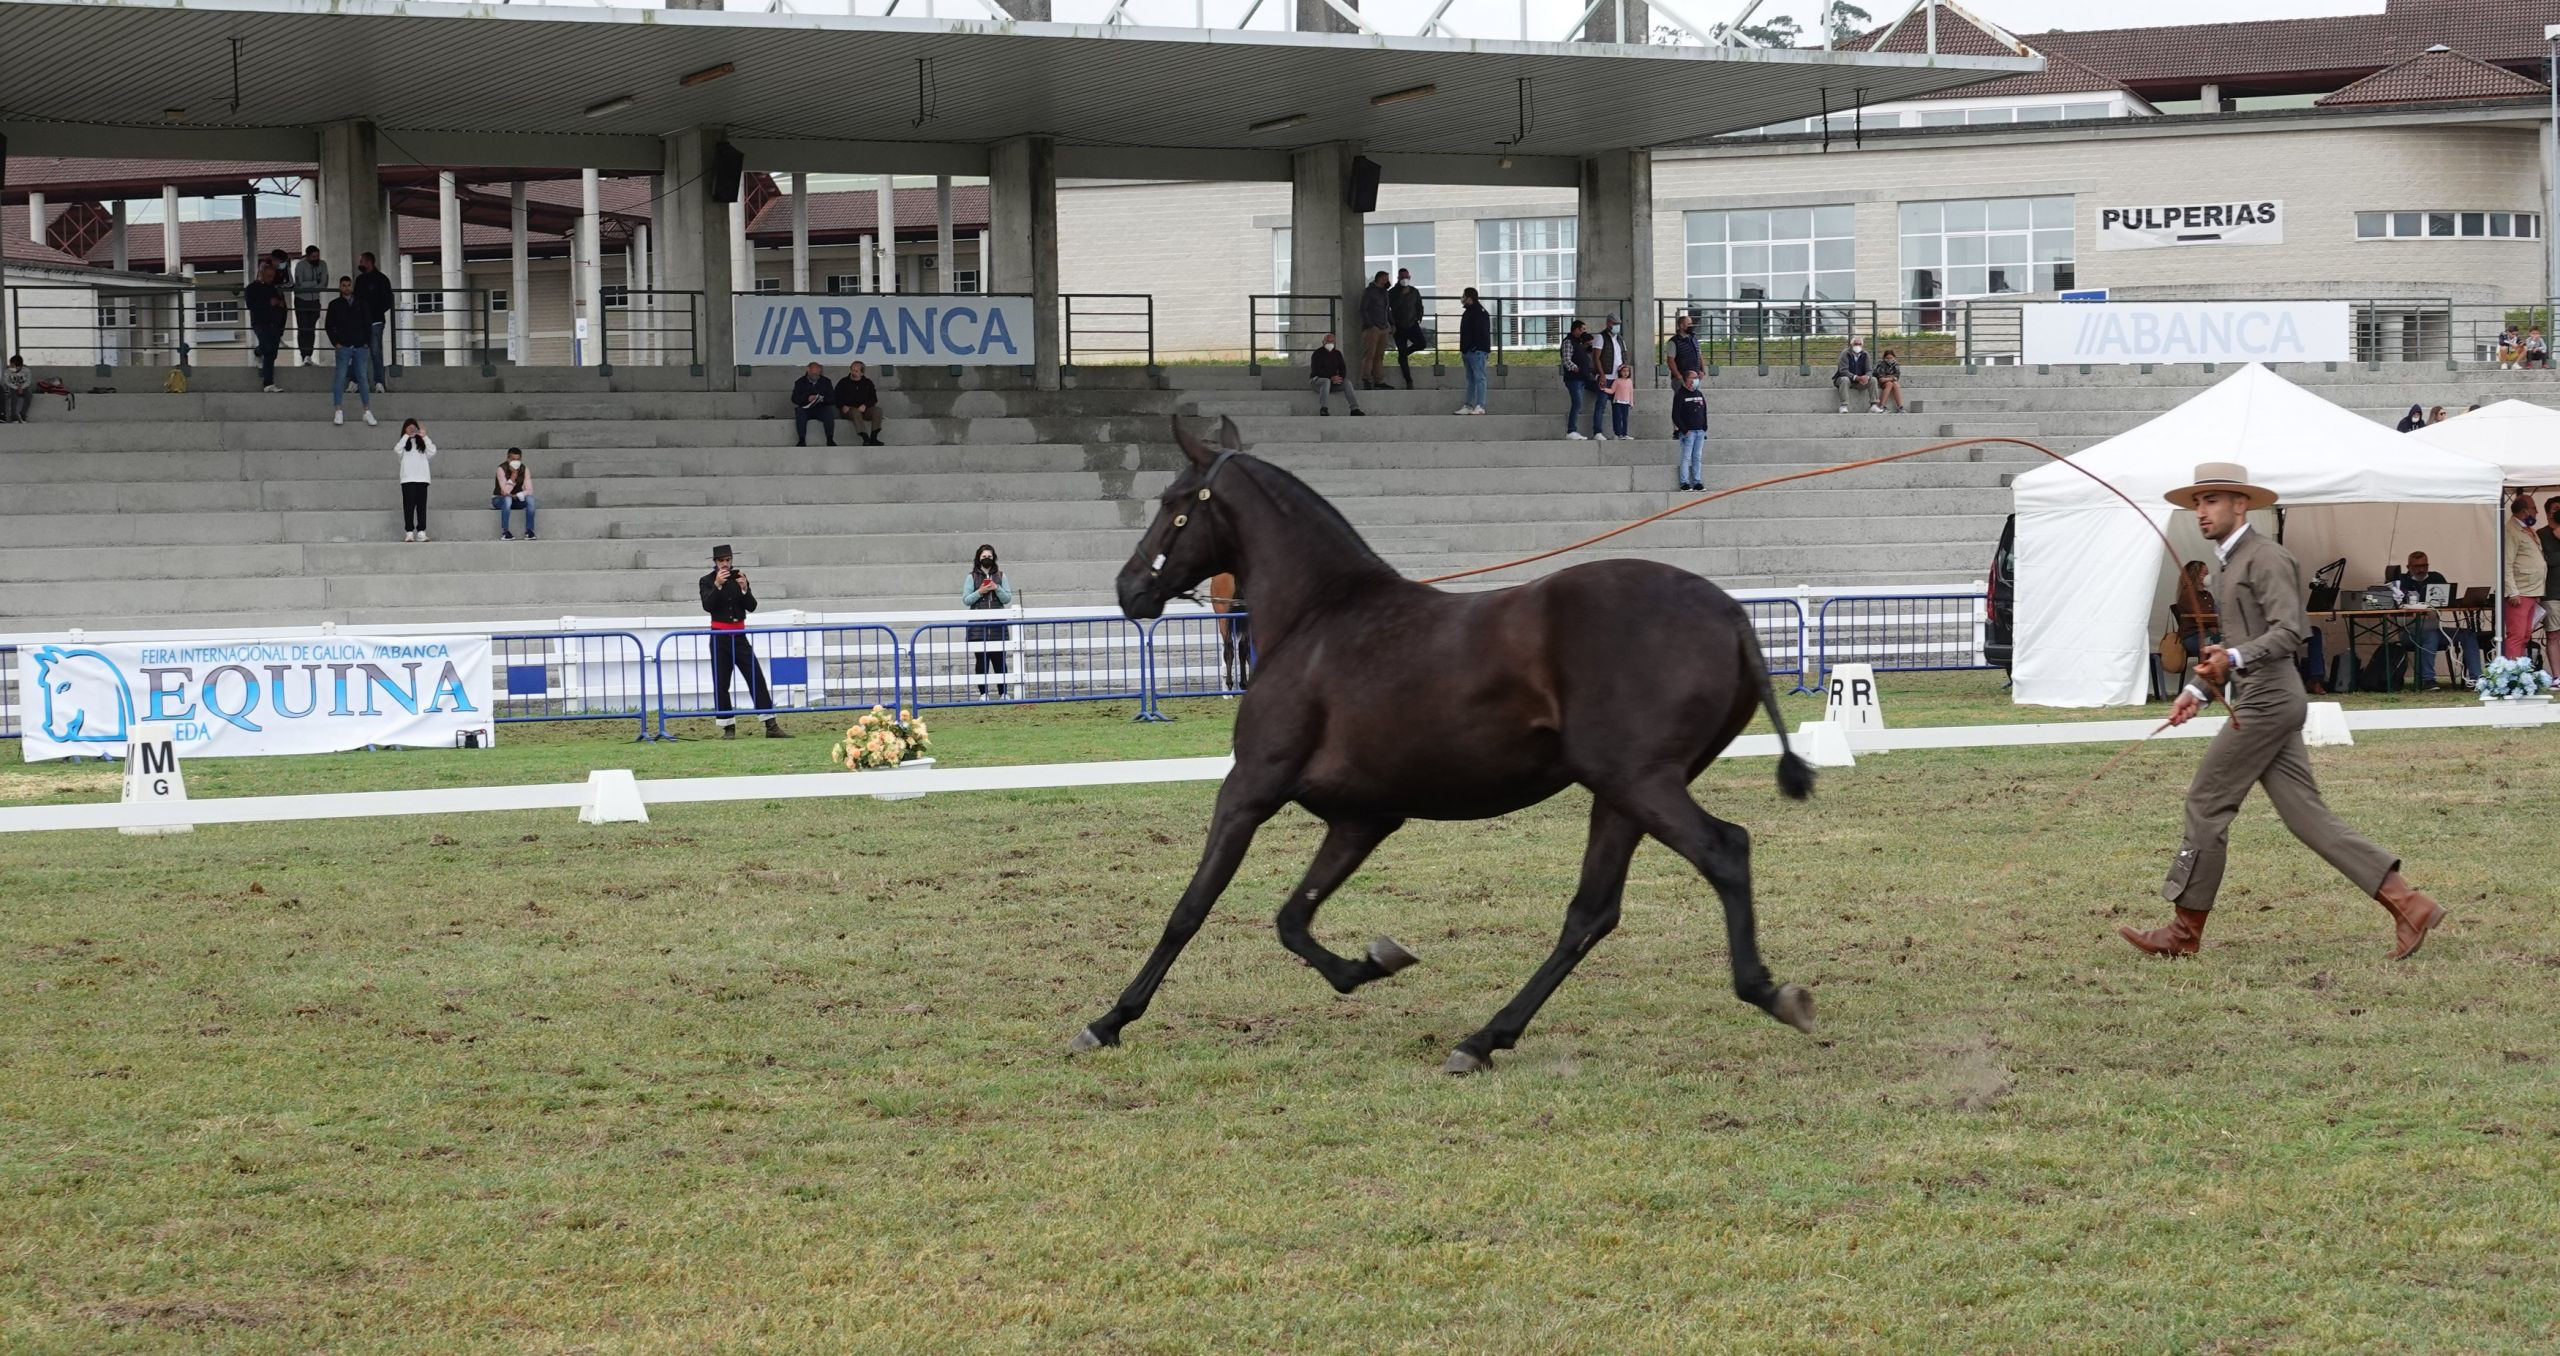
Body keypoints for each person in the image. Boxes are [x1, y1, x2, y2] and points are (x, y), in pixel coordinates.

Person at [2121, 462, 2445, 961]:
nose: (2201, 511)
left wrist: (2232, 658)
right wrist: (2199, 691)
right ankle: (2409, 904)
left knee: (2206, 804)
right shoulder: (2232, 564)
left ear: (2241, 504)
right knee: (2307, 818)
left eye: (2212, 500)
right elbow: (2235, 646)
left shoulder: (2265, 558)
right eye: (2197, 502)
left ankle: (2184, 934)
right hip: (2264, 700)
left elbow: (2289, 631)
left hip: (2267, 703)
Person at [699, 544, 787, 739]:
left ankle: (770, 724)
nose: (725, 564)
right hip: (719, 637)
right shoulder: (706, 581)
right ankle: (728, 726)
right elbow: (708, 605)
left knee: (755, 677)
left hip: (739, 636)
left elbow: (752, 606)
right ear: (715, 562)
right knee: (721, 682)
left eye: (728, 560)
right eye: (721, 561)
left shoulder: (739, 577)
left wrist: (745, 589)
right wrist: (717, 586)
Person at [2394, 550, 2475, 688]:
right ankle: (2428, 680)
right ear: (2408, 567)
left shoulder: (2436, 577)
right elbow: (2394, 603)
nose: (2421, 569)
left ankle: (2477, 678)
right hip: (2410, 632)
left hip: (2435, 629)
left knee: (2468, 634)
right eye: (2417, 566)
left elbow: (2448, 600)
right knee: (2431, 636)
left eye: (2424, 566)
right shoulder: (2400, 581)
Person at [964, 543, 1016, 698]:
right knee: (982, 661)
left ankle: (1003, 693)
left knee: (1000, 660)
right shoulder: (971, 577)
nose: (986, 559)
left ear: (994, 558)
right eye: (984, 556)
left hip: (997, 625)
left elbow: (1007, 598)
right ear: (978, 558)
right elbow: (966, 600)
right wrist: (980, 592)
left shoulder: (1001, 576)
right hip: (978, 626)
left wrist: (996, 588)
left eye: (989, 557)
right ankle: (983, 693)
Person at [323, 276, 376, 426]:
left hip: (360, 346)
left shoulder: (361, 303)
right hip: (344, 346)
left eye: (348, 285)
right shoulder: (335, 305)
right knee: (340, 378)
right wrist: (336, 343)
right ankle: (338, 410)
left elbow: (368, 323)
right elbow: (328, 326)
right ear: (340, 287)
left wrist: (367, 342)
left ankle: (367, 411)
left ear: (351, 286)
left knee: (362, 379)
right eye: (343, 285)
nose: (346, 288)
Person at [2502, 494, 2543, 660]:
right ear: (2525, 511)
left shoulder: (2527, 529)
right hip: (2520, 591)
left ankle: (2521, 673)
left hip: (2532, 590)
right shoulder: (2511, 530)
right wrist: (2512, 592)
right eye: (2534, 508)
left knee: (2525, 635)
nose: (2537, 512)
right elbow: (2506, 563)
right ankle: (2512, 676)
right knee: (2516, 635)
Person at [354, 252, 394, 392]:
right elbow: (356, 300)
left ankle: (379, 382)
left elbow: (387, 301)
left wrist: (375, 312)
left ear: (369, 262)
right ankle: (359, 382)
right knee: (359, 352)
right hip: (361, 322)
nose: (360, 264)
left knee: (376, 352)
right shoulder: (359, 280)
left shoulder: (381, 280)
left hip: (376, 321)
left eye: (362, 261)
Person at [245, 260, 288, 393]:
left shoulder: (274, 288)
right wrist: (268, 303)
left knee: (272, 353)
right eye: (268, 276)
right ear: (261, 274)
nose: (271, 279)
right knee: (267, 346)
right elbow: (250, 305)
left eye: (272, 276)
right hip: (260, 322)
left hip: (274, 322)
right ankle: (258, 351)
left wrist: (280, 306)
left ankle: (268, 383)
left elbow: (282, 305)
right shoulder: (251, 288)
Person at [393, 418, 436, 543]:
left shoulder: (422, 444)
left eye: (414, 428)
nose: (412, 430)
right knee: (409, 506)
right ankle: (409, 532)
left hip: (422, 478)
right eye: (409, 428)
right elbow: (397, 450)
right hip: (408, 479)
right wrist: (406, 435)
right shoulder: (403, 444)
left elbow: (433, 451)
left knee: (421, 506)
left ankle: (421, 532)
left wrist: (424, 436)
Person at [1558, 320, 1602, 441]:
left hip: (1585, 378)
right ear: (1576, 329)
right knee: (1577, 403)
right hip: (1574, 379)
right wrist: (1575, 368)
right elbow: (1566, 359)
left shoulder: (1579, 343)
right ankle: (1571, 431)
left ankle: (1598, 430)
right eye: (1582, 329)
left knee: (1602, 392)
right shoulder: (1568, 341)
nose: (1584, 331)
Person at [2170, 559, 2217, 663]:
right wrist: (2214, 624)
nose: (2208, 576)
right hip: (2193, 637)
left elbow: (2213, 615)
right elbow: (2204, 616)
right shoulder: (2188, 594)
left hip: (2208, 634)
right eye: (2205, 573)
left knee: (2230, 641)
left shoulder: (2207, 595)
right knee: (2224, 645)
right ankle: (2211, 675)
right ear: (2195, 574)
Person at [290, 244, 329, 367]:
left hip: (315, 301)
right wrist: (314, 283)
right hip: (301, 300)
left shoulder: (322, 264)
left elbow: (324, 283)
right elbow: (299, 284)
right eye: (313, 257)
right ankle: (303, 355)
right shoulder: (300, 265)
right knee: (303, 328)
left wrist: (313, 285)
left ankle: (309, 355)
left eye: (317, 256)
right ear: (307, 256)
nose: (316, 259)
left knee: (311, 329)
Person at [1670, 367, 1707, 493]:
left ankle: (1697, 482)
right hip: (1688, 433)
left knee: (1697, 457)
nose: (1696, 380)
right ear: (1687, 380)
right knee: (1686, 458)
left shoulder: (1699, 394)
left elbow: (1704, 411)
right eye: (1694, 378)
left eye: (1697, 378)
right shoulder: (1680, 395)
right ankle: (1684, 483)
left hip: (1699, 432)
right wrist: (1685, 430)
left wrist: (1704, 427)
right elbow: (1675, 415)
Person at [1389, 268, 1426, 390]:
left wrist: (1419, 317)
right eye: (1402, 277)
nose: (1405, 279)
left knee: (1422, 343)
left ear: (1409, 277)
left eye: (1406, 277)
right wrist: (1402, 295)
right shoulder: (1393, 292)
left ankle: (1403, 354)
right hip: (1398, 327)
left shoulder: (1414, 291)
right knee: (1403, 356)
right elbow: (1391, 307)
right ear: (1398, 278)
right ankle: (1408, 380)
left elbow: (1419, 306)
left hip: (1412, 324)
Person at [1456, 287, 1491, 415]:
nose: (1462, 298)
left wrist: (1475, 347)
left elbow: (1482, 333)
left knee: (1479, 378)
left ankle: (1480, 405)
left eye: (1464, 296)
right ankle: (1469, 405)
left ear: (1469, 298)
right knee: (1470, 379)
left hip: (1476, 351)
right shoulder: (1468, 312)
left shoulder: (1480, 312)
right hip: (1467, 351)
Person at [1309, 333, 1362, 416]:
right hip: (1317, 382)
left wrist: (1339, 378)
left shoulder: (1337, 353)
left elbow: (1342, 368)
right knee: (1326, 381)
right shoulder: (1317, 354)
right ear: (1323, 342)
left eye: (1332, 341)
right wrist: (1330, 377)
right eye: (1327, 341)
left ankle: (1354, 409)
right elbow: (1316, 371)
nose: (1329, 343)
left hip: (1332, 382)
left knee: (1347, 383)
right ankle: (1324, 408)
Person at [833, 360, 884, 446]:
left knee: (878, 411)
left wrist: (865, 405)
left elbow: (873, 398)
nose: (853, 372)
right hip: (849, 410)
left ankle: (874, 437)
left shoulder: (868, 383)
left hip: (865, 409)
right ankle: (865, 437)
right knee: (855, 412)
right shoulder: (843, 382)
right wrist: (842, 406)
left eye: (856, 371)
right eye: (852, 370)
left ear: (862, 373)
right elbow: (836, 397)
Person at [1357, 271, 1394, 390]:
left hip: (1384, 327)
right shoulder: (1369, 291)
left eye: (1387, 278)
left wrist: (1392, 323)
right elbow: (1363, 309)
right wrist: (1370, 324)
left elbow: (1386, 309)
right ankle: (1366, 379)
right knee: (1369, 355)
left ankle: (1379, 380)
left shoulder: (1385, 293)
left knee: (1380, 356)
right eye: (1383, 278)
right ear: (1378, 278)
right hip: (1372, 328)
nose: (1385, 280)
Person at [491, 447, 537, 540]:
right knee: (507, 499)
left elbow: (530, 490)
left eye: (518, 459)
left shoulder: (524, 469)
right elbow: (504, 492)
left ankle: (529, 531)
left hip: (515, 499)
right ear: (508, 458)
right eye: (513, 459)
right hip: (499, 499)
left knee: (530, 499)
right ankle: (505, 531)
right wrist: (513, 476)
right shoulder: (501, 469)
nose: (516, 462)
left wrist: (517, 495)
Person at [2540, 495, 2560, 668]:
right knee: (2553, 635)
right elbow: (2550, 560)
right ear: (2548, 513)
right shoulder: (2541, 534)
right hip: (2552, 593)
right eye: (2555, 509)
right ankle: (2557, 676)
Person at [1664, 309, 1704, 390]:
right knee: (1681, 400)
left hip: (1695, 377)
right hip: (1681, 379)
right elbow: (1670, 360)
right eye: (1688, 324)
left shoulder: (1694, 339)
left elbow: (1699, 355)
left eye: (1691, 324)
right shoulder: (1674, 342)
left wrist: (1702, 370)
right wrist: (1678, 376)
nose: (1691, 326)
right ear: (1681, 326)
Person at [1833, 338, 1876, 413]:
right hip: (1844, 380)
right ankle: (1844, 405)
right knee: (1845, 379)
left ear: (1862, 345)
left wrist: (1866, 377)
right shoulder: (1845, 353)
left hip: (1859, 382)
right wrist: (1856, 377)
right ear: (1851, 344)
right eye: (1855, 344)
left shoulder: (1865, 354)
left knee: (1873, 380)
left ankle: (1874, 405)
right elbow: (1843, 370)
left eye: (1859, 344)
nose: (1857, 346)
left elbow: (1869, 370)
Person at [1608, 362, 1635, 440]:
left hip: (1626, 403)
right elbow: (1612, 390)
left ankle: (1624, 433)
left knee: (1625, 419)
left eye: (1627, 371)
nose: (1626, 373)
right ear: (1620, 372)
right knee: (1617, 418)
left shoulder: (1630, 381)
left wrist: (1631, 402)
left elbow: (1631, 392)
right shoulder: (1617, 381)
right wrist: (1604, 389)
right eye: (1624, 371)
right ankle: (1617, 433)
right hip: (1617, 402)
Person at [1, 356, 31, 424]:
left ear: (19, 366)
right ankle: (13, 416)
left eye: (13, 366)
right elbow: (7, 381)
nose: (11, 367)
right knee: (13, 398)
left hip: (24, 388)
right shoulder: (8, 371)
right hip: (13, 388)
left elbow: (28, 381)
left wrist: (22, 387)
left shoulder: (26, 371)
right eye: (11, 365)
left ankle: (22, 415)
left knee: (29, 395)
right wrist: (16, 388)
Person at [1875, 348, 1907, 413]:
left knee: (1895, 384)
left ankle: (1900, 406)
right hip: (1880, 382)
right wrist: (1891, 378)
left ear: (1894, 357)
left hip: (1891, 382)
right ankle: (1882, 406)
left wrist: (1888, 378)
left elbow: (1896, 377)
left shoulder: (1896, 365)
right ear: (1884, 358)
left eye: (1891, 358)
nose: (1889, 359)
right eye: (1887, 358)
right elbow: (1881, 379)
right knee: (1889, 384)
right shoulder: (1881, 364)